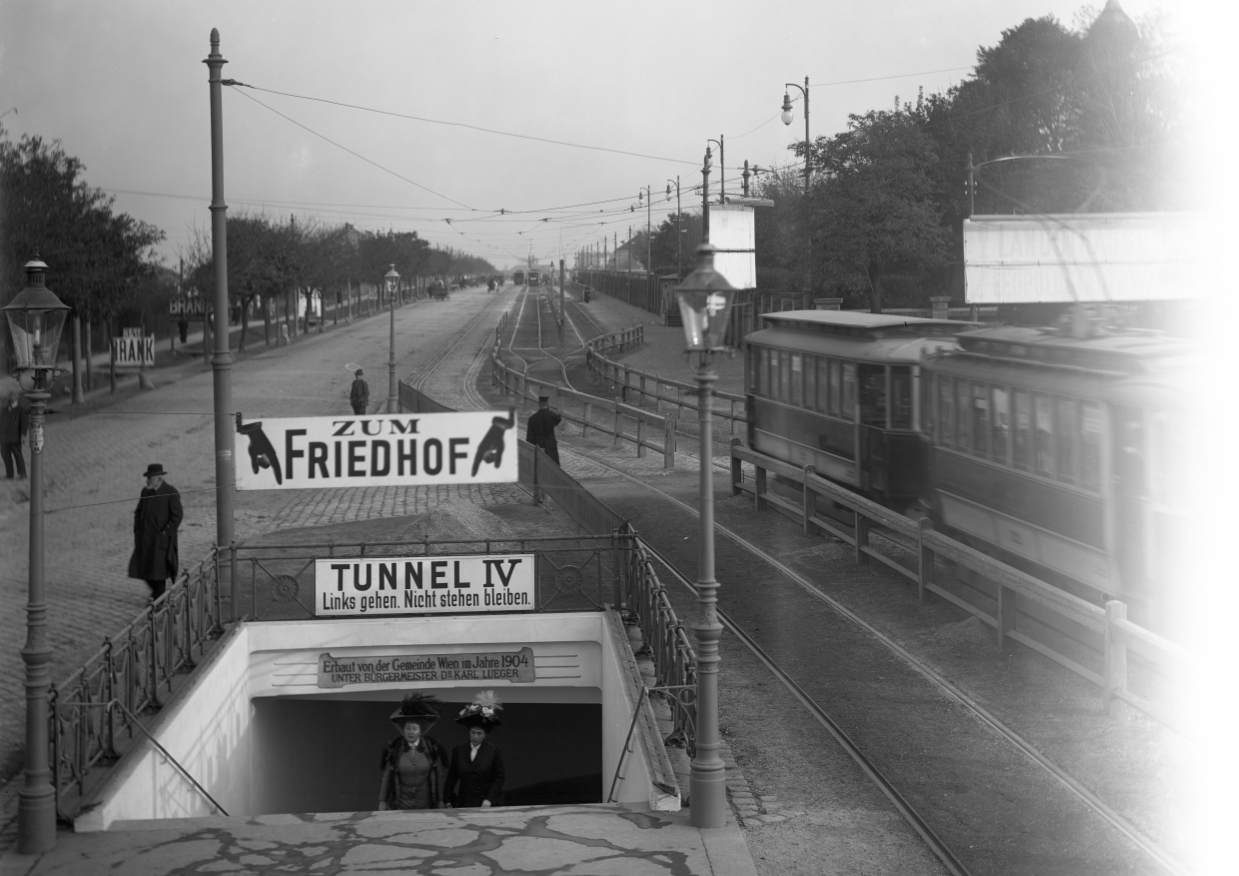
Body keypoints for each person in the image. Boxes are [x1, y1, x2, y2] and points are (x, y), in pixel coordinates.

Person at [379, 693, 449, 811]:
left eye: (414, 728)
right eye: (408, 728)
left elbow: (438, 775)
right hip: (401, 805)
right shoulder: (395, 749)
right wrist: (382, 801)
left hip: (425, 804)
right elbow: (387, 776)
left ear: (420, 731)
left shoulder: (431, 748)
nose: (410, 732)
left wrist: (440, 800)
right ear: (403, 730)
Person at [127, 463, 182, 601]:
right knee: (142, 568)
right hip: (144, 539)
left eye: (150, 478)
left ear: (159, 479)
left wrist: (166, 532)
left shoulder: (171, 493)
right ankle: (157, 595)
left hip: (160, 540)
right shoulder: (145, 492)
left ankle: (159, 599)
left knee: (158, 571)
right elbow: (138, 512)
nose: (147, 481)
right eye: (147, 478)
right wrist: (137, 529)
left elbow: (177, 516)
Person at [444, 692, 505, 809]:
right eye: (473, 733)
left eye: (479, 733)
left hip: (486, 803)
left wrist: (489, 799)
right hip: (465, 802)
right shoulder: (459, 750)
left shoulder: (493, 751)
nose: (475, 737)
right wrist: (447, 800)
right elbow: (452, 777)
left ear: (485, 734)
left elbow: (499, 778)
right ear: (468, 731)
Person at [525, 395, 562, 466]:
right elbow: (558, 420)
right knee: (553, 466)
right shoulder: (552, 416)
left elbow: (529, 438)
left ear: (539, 404)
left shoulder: (532, 418)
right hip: (551, 445)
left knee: (539, 466)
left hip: (538, 445)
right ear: (547, 404)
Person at [0, 392, 28, 480]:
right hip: (4, 438)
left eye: (13, 397)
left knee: (18, 455)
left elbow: (24, 423)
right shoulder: (4, 410)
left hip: (15, 437)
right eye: (10, 398)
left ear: (16, 398)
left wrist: (23, 435)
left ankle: (22, 474)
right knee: (5, 455)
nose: (11, 399)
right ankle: (9, 474)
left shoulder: (21, 409)